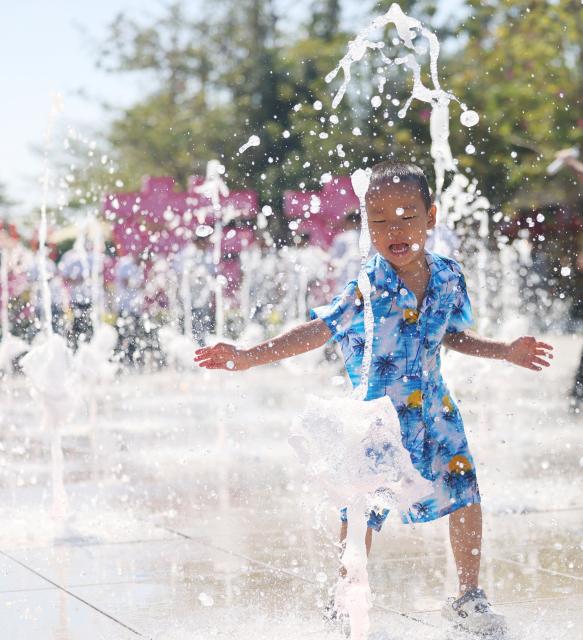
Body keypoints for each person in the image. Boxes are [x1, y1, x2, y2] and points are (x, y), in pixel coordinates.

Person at [194, 161, 554, 636]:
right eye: (379, 220)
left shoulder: (448, 276)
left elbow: (452, 335)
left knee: (465, 493)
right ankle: (345, 600)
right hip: (380, 417)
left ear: (432, 216)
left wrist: (503, 351)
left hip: (435, 410)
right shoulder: (369, 285)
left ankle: (467, 596)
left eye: (407, 216)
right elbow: (318, 330)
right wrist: (246, 356)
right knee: (363, 510)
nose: (394, 229)